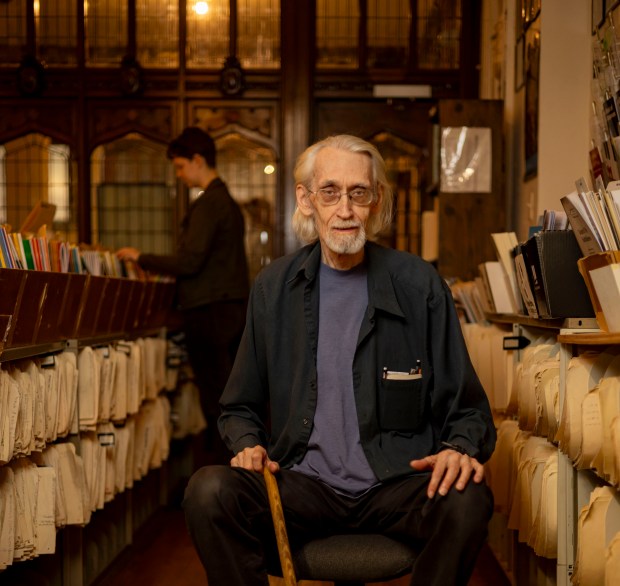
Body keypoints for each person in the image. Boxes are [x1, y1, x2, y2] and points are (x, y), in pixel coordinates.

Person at [182, 134, 496, 585]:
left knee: (470, 497)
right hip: (302, 488)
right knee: (208, 491)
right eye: (329, 191)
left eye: (358, 193)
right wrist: (248, 443)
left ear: (377, 199)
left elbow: (468, 410)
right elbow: (237, 406)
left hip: (397, 484)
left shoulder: (420, 286)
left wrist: (459, 450)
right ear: (306, 199)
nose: (345, 209)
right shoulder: (273, 288)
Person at [117, 127, 249, 463]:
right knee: (229, 397)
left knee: (216, 399)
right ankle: (232, 472)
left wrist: (141, 257)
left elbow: (190, 261)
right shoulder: (227, 202)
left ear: (198, 160)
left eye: (179, 167)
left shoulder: (209, 203)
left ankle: (225, 476)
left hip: (210, 313)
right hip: (229, 311)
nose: (179, 175)